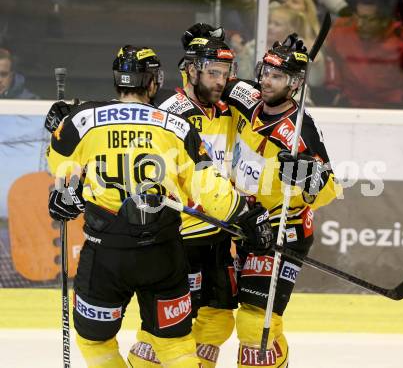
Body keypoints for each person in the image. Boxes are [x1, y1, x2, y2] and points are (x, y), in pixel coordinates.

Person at [45, 45, 274, 368]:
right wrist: (248, 218)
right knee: (176, 344)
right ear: (153, 82)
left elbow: (61, 170)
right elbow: (212, 191)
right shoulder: (177, 126)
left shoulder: (82, 120)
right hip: (163, 255)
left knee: (95, 341)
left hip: (106, 254)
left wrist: (65, 186)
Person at [222, 34, 342, 367]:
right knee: (218, 314)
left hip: (282, 229)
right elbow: (208, 87)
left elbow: (329, 189)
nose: (266, 81)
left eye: (276, 76)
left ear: (293, 84)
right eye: (265, 72)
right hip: (243, 221)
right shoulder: (245, 96)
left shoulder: (302, 130)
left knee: (254, 322)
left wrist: (306, 175)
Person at [127, 25, 240, 368]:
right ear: (190, 70)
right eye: (213, 73)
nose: (221, 81)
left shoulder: (227, 108)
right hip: (180, 234)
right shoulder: (171, 114)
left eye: (225, 74)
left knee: (219, 319)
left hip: (218, 230)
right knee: (167, 326)